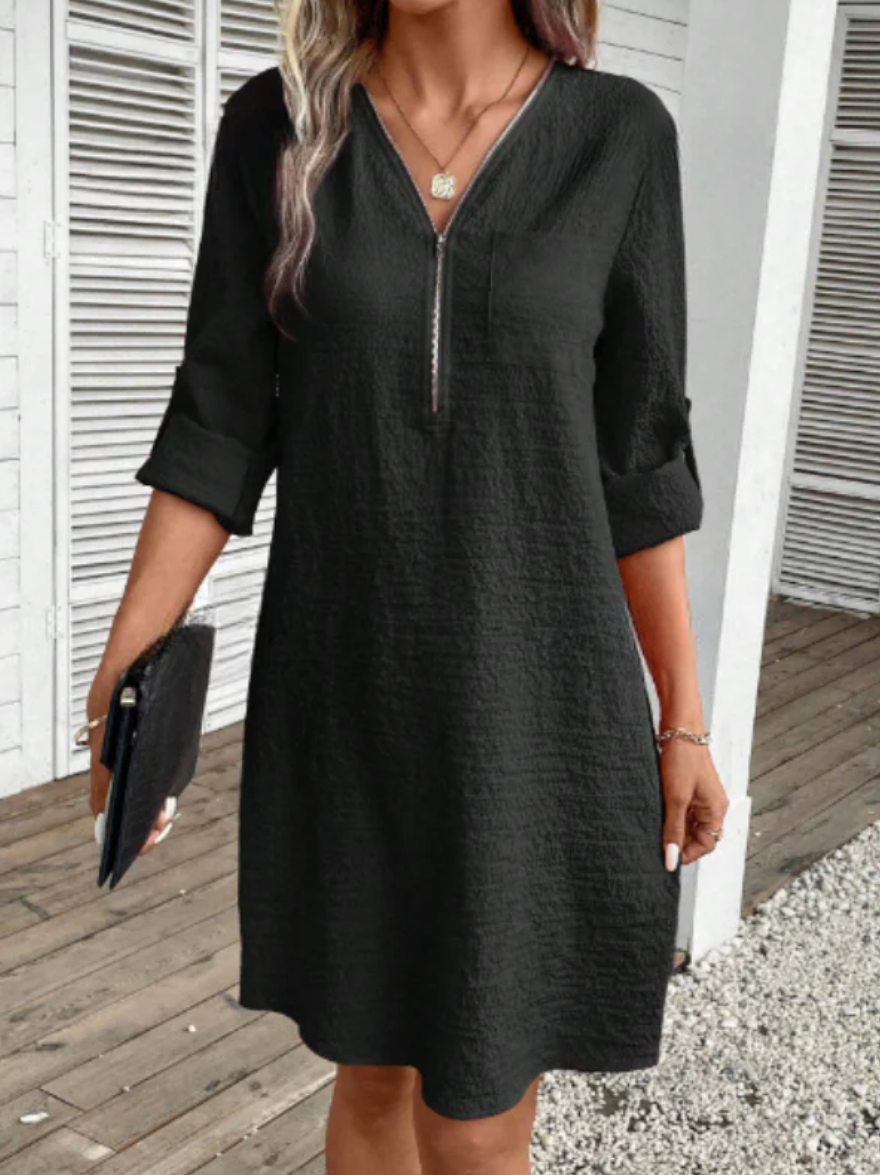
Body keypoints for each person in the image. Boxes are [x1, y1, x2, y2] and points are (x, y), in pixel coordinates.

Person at [83, 1, 730, 1172]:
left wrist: (681, 716)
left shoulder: (618, 137)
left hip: (536, 706)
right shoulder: (277, 130)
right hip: (346, 691)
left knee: (475, 1125)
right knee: (369, 1068)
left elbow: (638, 458)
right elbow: (219, 421)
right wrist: (128, 664)